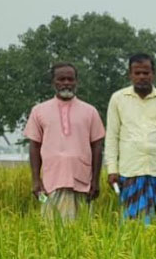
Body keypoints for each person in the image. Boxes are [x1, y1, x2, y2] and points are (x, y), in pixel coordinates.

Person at [24, 62, 105, 221]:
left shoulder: (90, 111)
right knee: (52, 230)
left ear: (76, 82)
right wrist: (35, 180)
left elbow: (97, 147)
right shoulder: (39, 111)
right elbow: (34, 146)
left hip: (82, 183)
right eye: (61, 79)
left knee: (83, 231)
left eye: (70, 79)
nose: (66, 83)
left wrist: (95, 181)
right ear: (53, 82)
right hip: (51, 183)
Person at [106, 53, 156, 223]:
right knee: (131, 222)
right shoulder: (118, 99)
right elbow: (112, 136)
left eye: (146, 73)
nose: (141, 77)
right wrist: (112, 169)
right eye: (137, 73)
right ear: (130, 74)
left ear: (153, 74)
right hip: (130, 171)